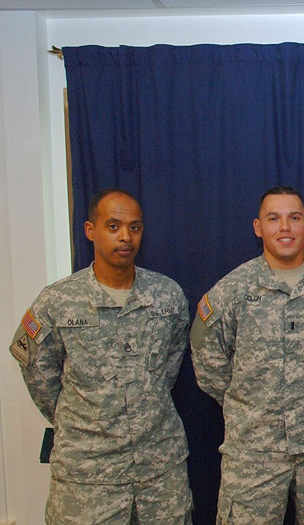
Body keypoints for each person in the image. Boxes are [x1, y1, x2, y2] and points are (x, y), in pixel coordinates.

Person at [8, 188, 192, 524]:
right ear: (90, 230)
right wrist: (82, 419)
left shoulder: (168, 296)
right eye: (113, 226)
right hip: (87, 475)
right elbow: (37, 372)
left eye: (134, 227)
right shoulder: (57, 301)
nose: (125, 237)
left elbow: (169, 366)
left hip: (159, 469)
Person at [190, 186, 304, 525]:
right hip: (254, 451)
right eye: (274, 218)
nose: (285, 227)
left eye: (294, 218)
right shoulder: (232, 290)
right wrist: (250, 404)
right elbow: (207, 361)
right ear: (258, 227)